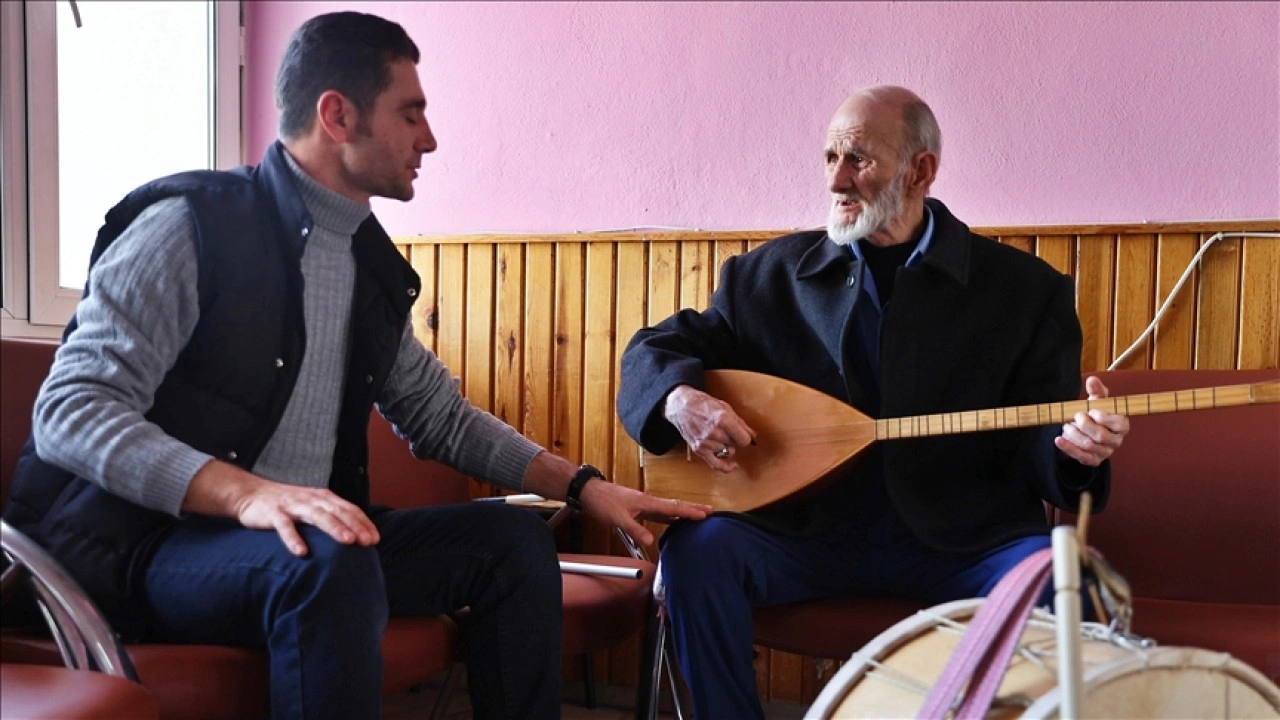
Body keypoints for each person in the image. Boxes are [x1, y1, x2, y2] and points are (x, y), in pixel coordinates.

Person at [2, 12, 709, 720]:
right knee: (326, 558)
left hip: (295, 545)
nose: (429, 139)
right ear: (337, 115)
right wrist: (247, 493)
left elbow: (439, 418)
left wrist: (585, 486)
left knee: (512, 543)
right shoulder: (188, 226)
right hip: (137, 548)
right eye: (410, 114)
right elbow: (72, 412)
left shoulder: (369, 268)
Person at [616, 85, 1129, 719]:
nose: (837, 178)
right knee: (697, 556)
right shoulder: (765, 277)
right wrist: (676, 398)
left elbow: (1040, 433)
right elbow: (651, 349)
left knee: (1061, 575)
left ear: (921, 171)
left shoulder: (1024, 292)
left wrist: (1077, 448)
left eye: (858, 158)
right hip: (805, 535)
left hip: (964, 541)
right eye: (829, 156)